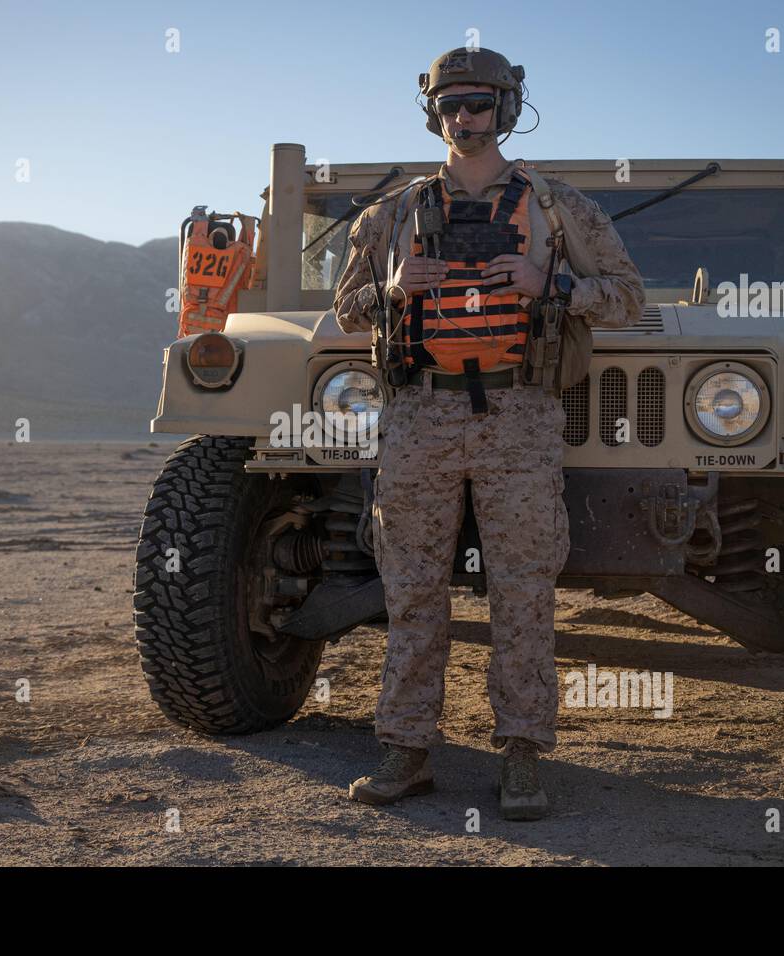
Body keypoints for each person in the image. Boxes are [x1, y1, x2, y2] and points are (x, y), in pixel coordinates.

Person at [332, 46, 645, 820]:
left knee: (524, 592)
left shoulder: (559, 204)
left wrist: (555, 284)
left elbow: (630, 299)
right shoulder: (393, 213)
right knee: (410, 590)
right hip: (419, 414)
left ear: (504, 109)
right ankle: (406, 750)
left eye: (477, 104)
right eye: (450, 106)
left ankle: (523, 758)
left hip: (520, 417)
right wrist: (390, 287)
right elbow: (345, 310)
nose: (463, 118)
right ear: (434, 113)